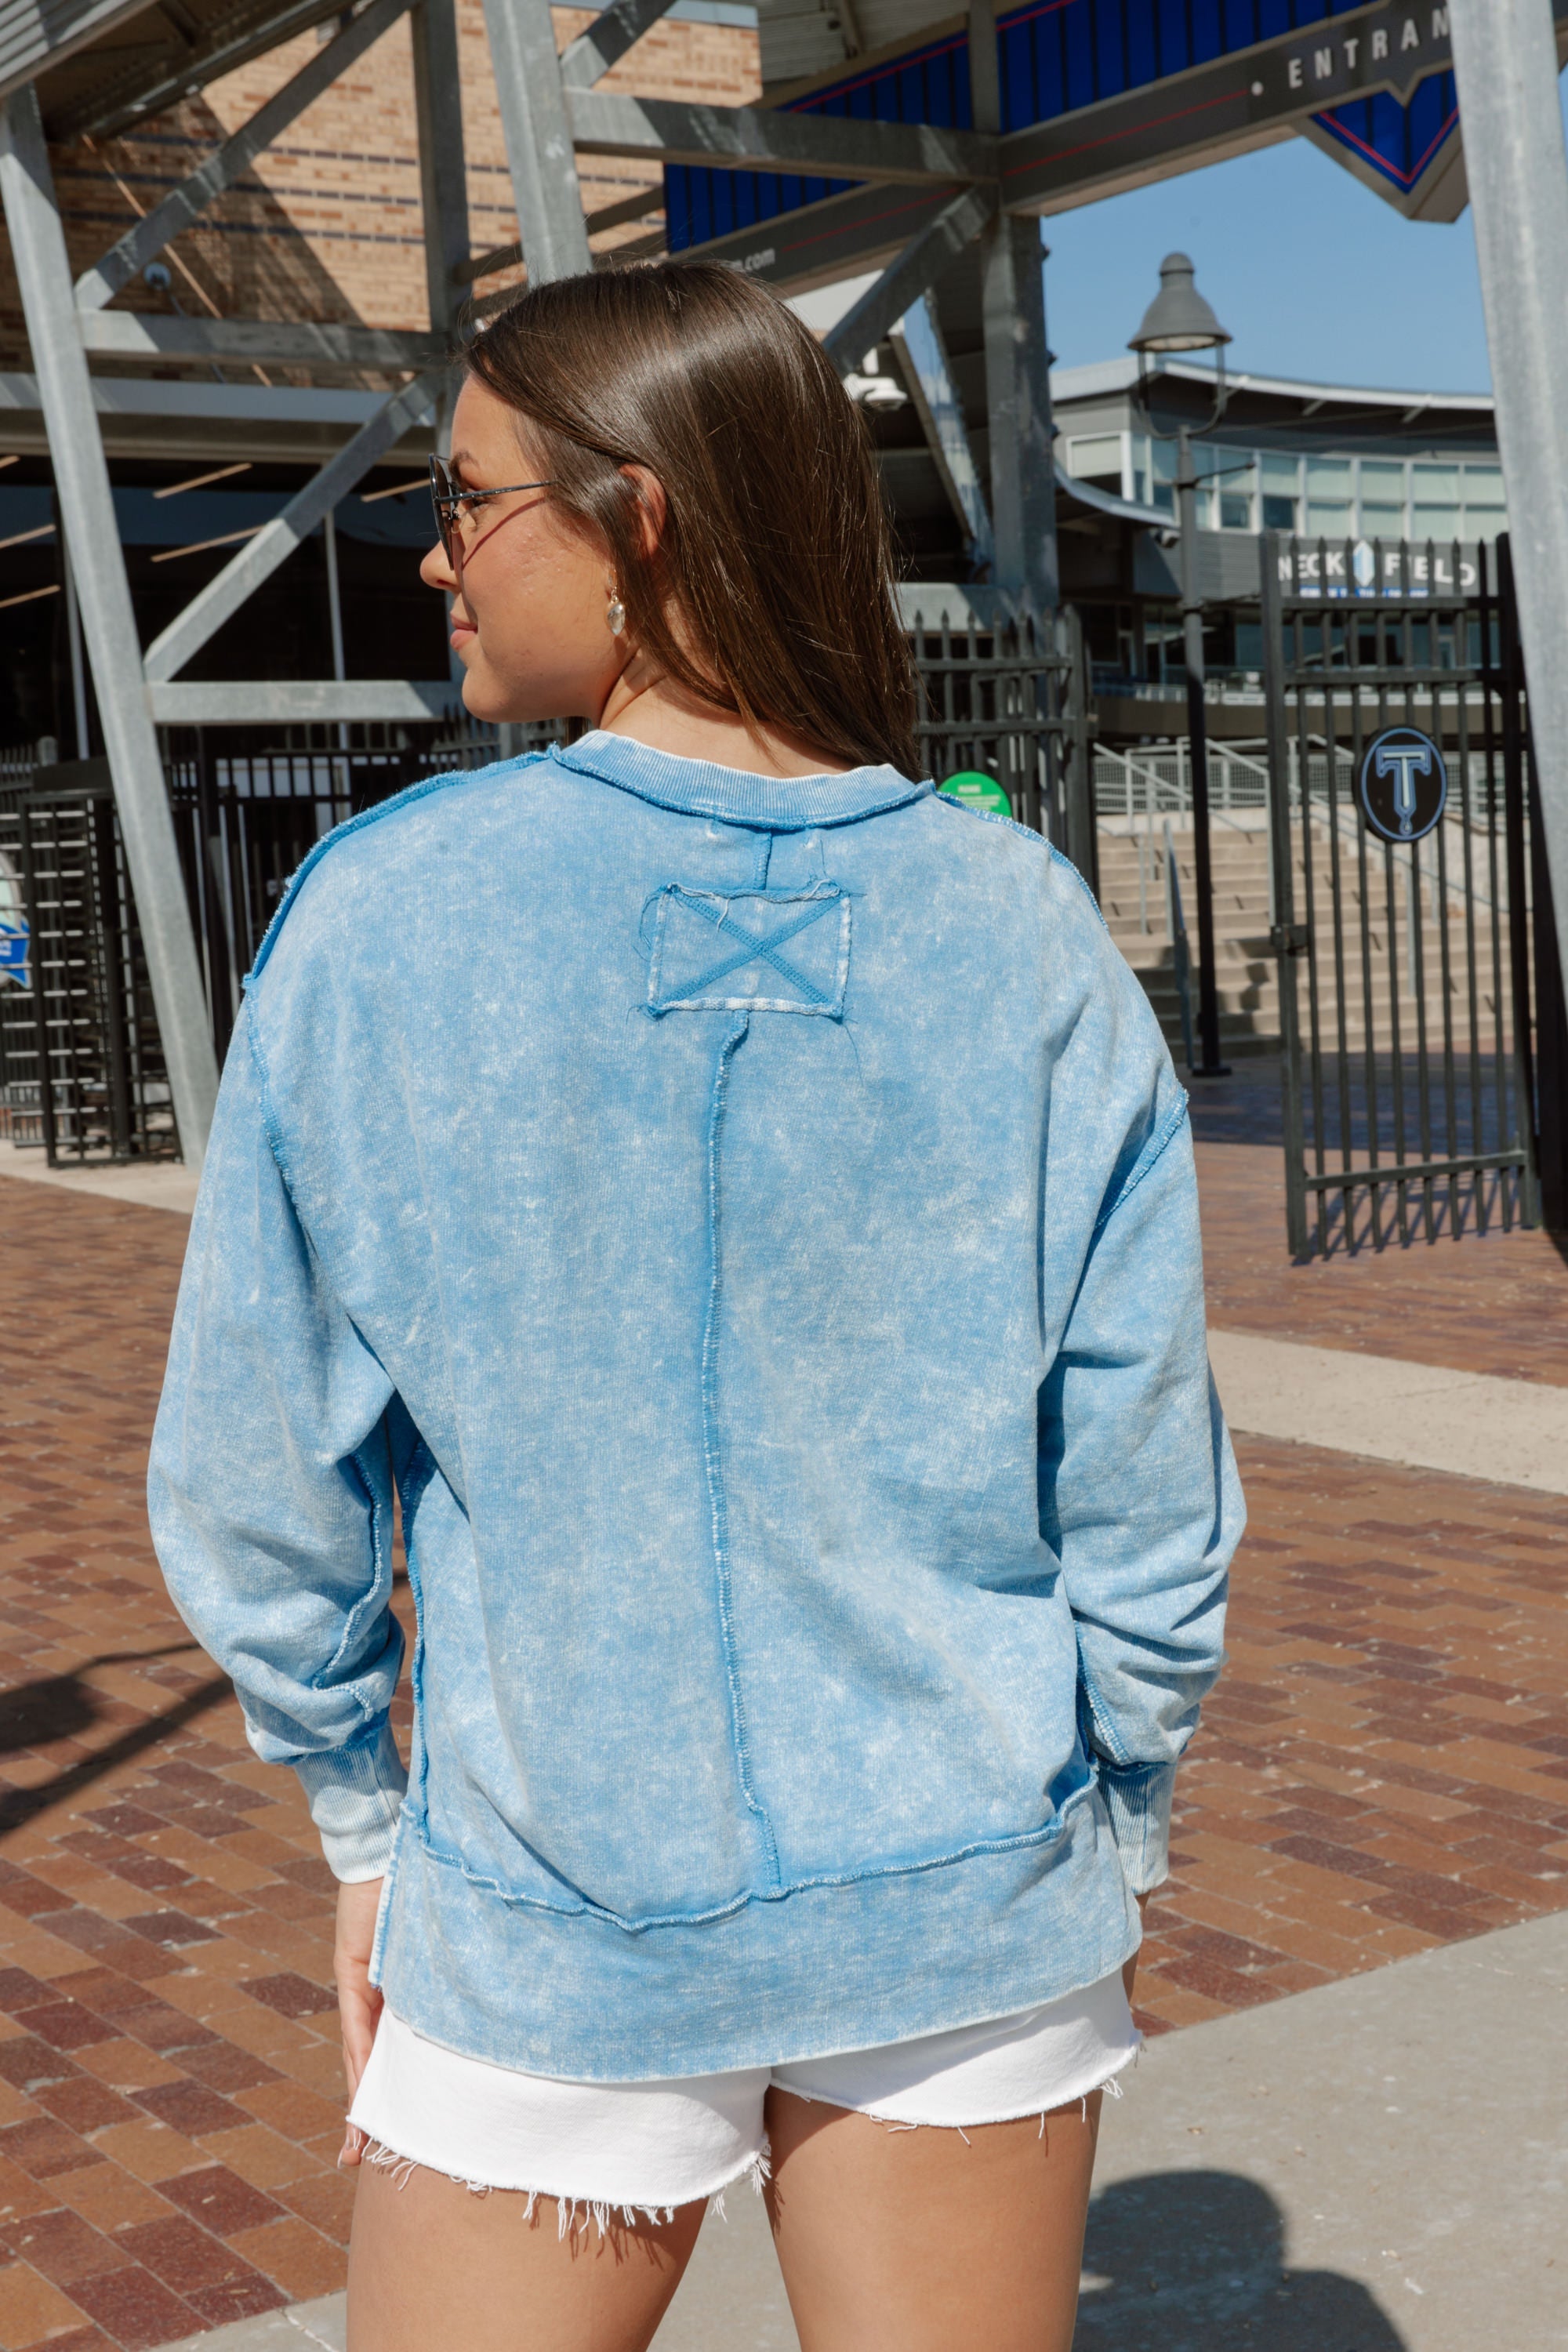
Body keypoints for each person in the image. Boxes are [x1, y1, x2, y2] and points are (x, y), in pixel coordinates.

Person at [149, 262, 1241, 2352]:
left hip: (553, 1905)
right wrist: (1122, 1815)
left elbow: (257, 1467)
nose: (435, 556)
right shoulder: (1018, 924)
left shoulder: (388, 915)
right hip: (972, 1897)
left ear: (634, 516)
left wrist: (360, 1822)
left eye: (466, 500)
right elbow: (1139, 1476)